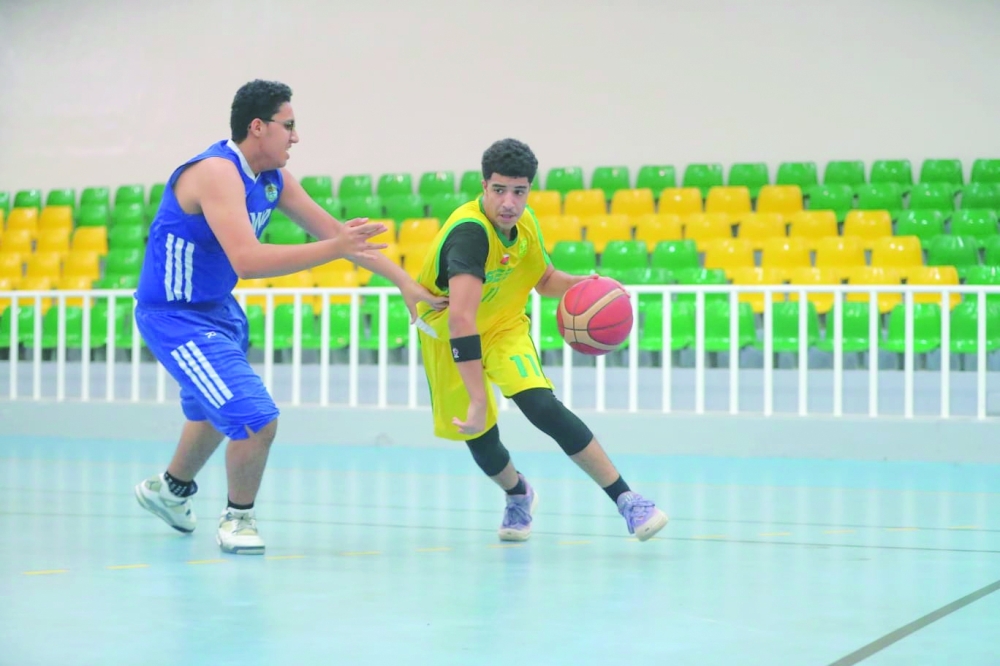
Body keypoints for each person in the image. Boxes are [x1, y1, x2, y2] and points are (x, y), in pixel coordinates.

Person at [132, 79, 446, 555]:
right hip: (176, 317)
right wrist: (335, 247)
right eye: (289, 125)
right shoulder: (216, 172)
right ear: (258, 127)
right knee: (255, 418)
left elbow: (341, 237)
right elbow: (247, 261)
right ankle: (238, 518)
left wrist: (404, 282)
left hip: (219, 310)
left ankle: (170, 490)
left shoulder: (273, 179)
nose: (296, 137)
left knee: (214, 411)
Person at [413, 138, 668, 542]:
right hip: (449, 335)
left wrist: (587, 286)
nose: (509, 203)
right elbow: (461, 320)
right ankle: (518, 492)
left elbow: (544, 279)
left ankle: (628, 500)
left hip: (502, 326)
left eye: (519, 191)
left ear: (529, 189)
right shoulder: (470, 235)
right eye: (499, 190)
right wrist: (478, 399)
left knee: (542, 406)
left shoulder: (525, 223)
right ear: (484, 185)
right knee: (480, 437)